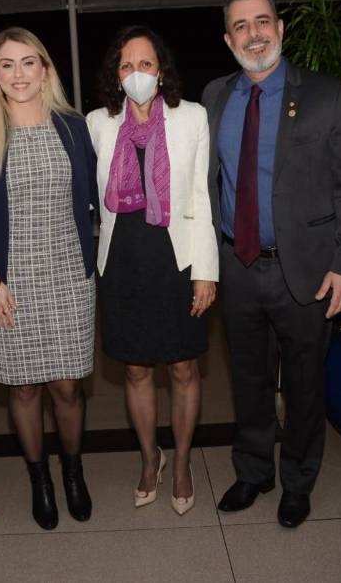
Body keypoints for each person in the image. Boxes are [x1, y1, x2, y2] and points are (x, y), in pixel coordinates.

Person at [203, 0, 341, 528]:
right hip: (237, 264)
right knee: (248, 379)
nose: (254, 34)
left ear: (280, 28)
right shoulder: (214, 98)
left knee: (303, 383)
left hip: (309, 270)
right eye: (241, 26)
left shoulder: (327, 94)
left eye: (262, 22)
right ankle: (254, 471)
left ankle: (298, 481)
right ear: (228, 39)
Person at [0, 27, 98, 531]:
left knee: (67, 387)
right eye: (7, 64)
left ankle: (73, 472)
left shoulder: (72, 127)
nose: (18, 74)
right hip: (9, 282)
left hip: (68, 275)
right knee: (22, 390)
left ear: (45, 70)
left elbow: (93, 197)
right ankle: (39, 478)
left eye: (27, 62)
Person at [87, 26, 217, 516]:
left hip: (177, 259)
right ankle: (150, 459)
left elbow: (203, 198)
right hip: (122, 262)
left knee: (183, 367)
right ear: (115, 75)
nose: (136, 73)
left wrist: (206, 271)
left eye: (145, 64)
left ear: (160, 71)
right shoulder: (97, 124)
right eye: (126, 65)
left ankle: (181, 462)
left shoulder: (192, 117)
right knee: (136, 369)